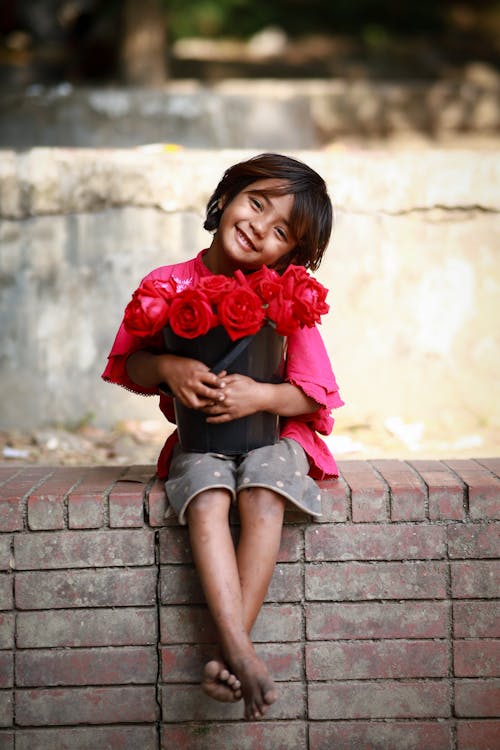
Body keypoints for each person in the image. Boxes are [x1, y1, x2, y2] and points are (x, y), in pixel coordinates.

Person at [102, 153, 343, 721]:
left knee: (265, 486)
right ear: (226, 198)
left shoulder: (290, 295)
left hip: (274, 436)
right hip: (201, 440)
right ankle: (240, 654)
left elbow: (314, 393)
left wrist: (261, 396)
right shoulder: (166, 284)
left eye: (281, 229)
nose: (261, 226)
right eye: (256, 203)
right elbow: (132, 362)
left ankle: (232, 651)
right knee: (207, 493)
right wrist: (167, 369)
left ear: (292, 254)